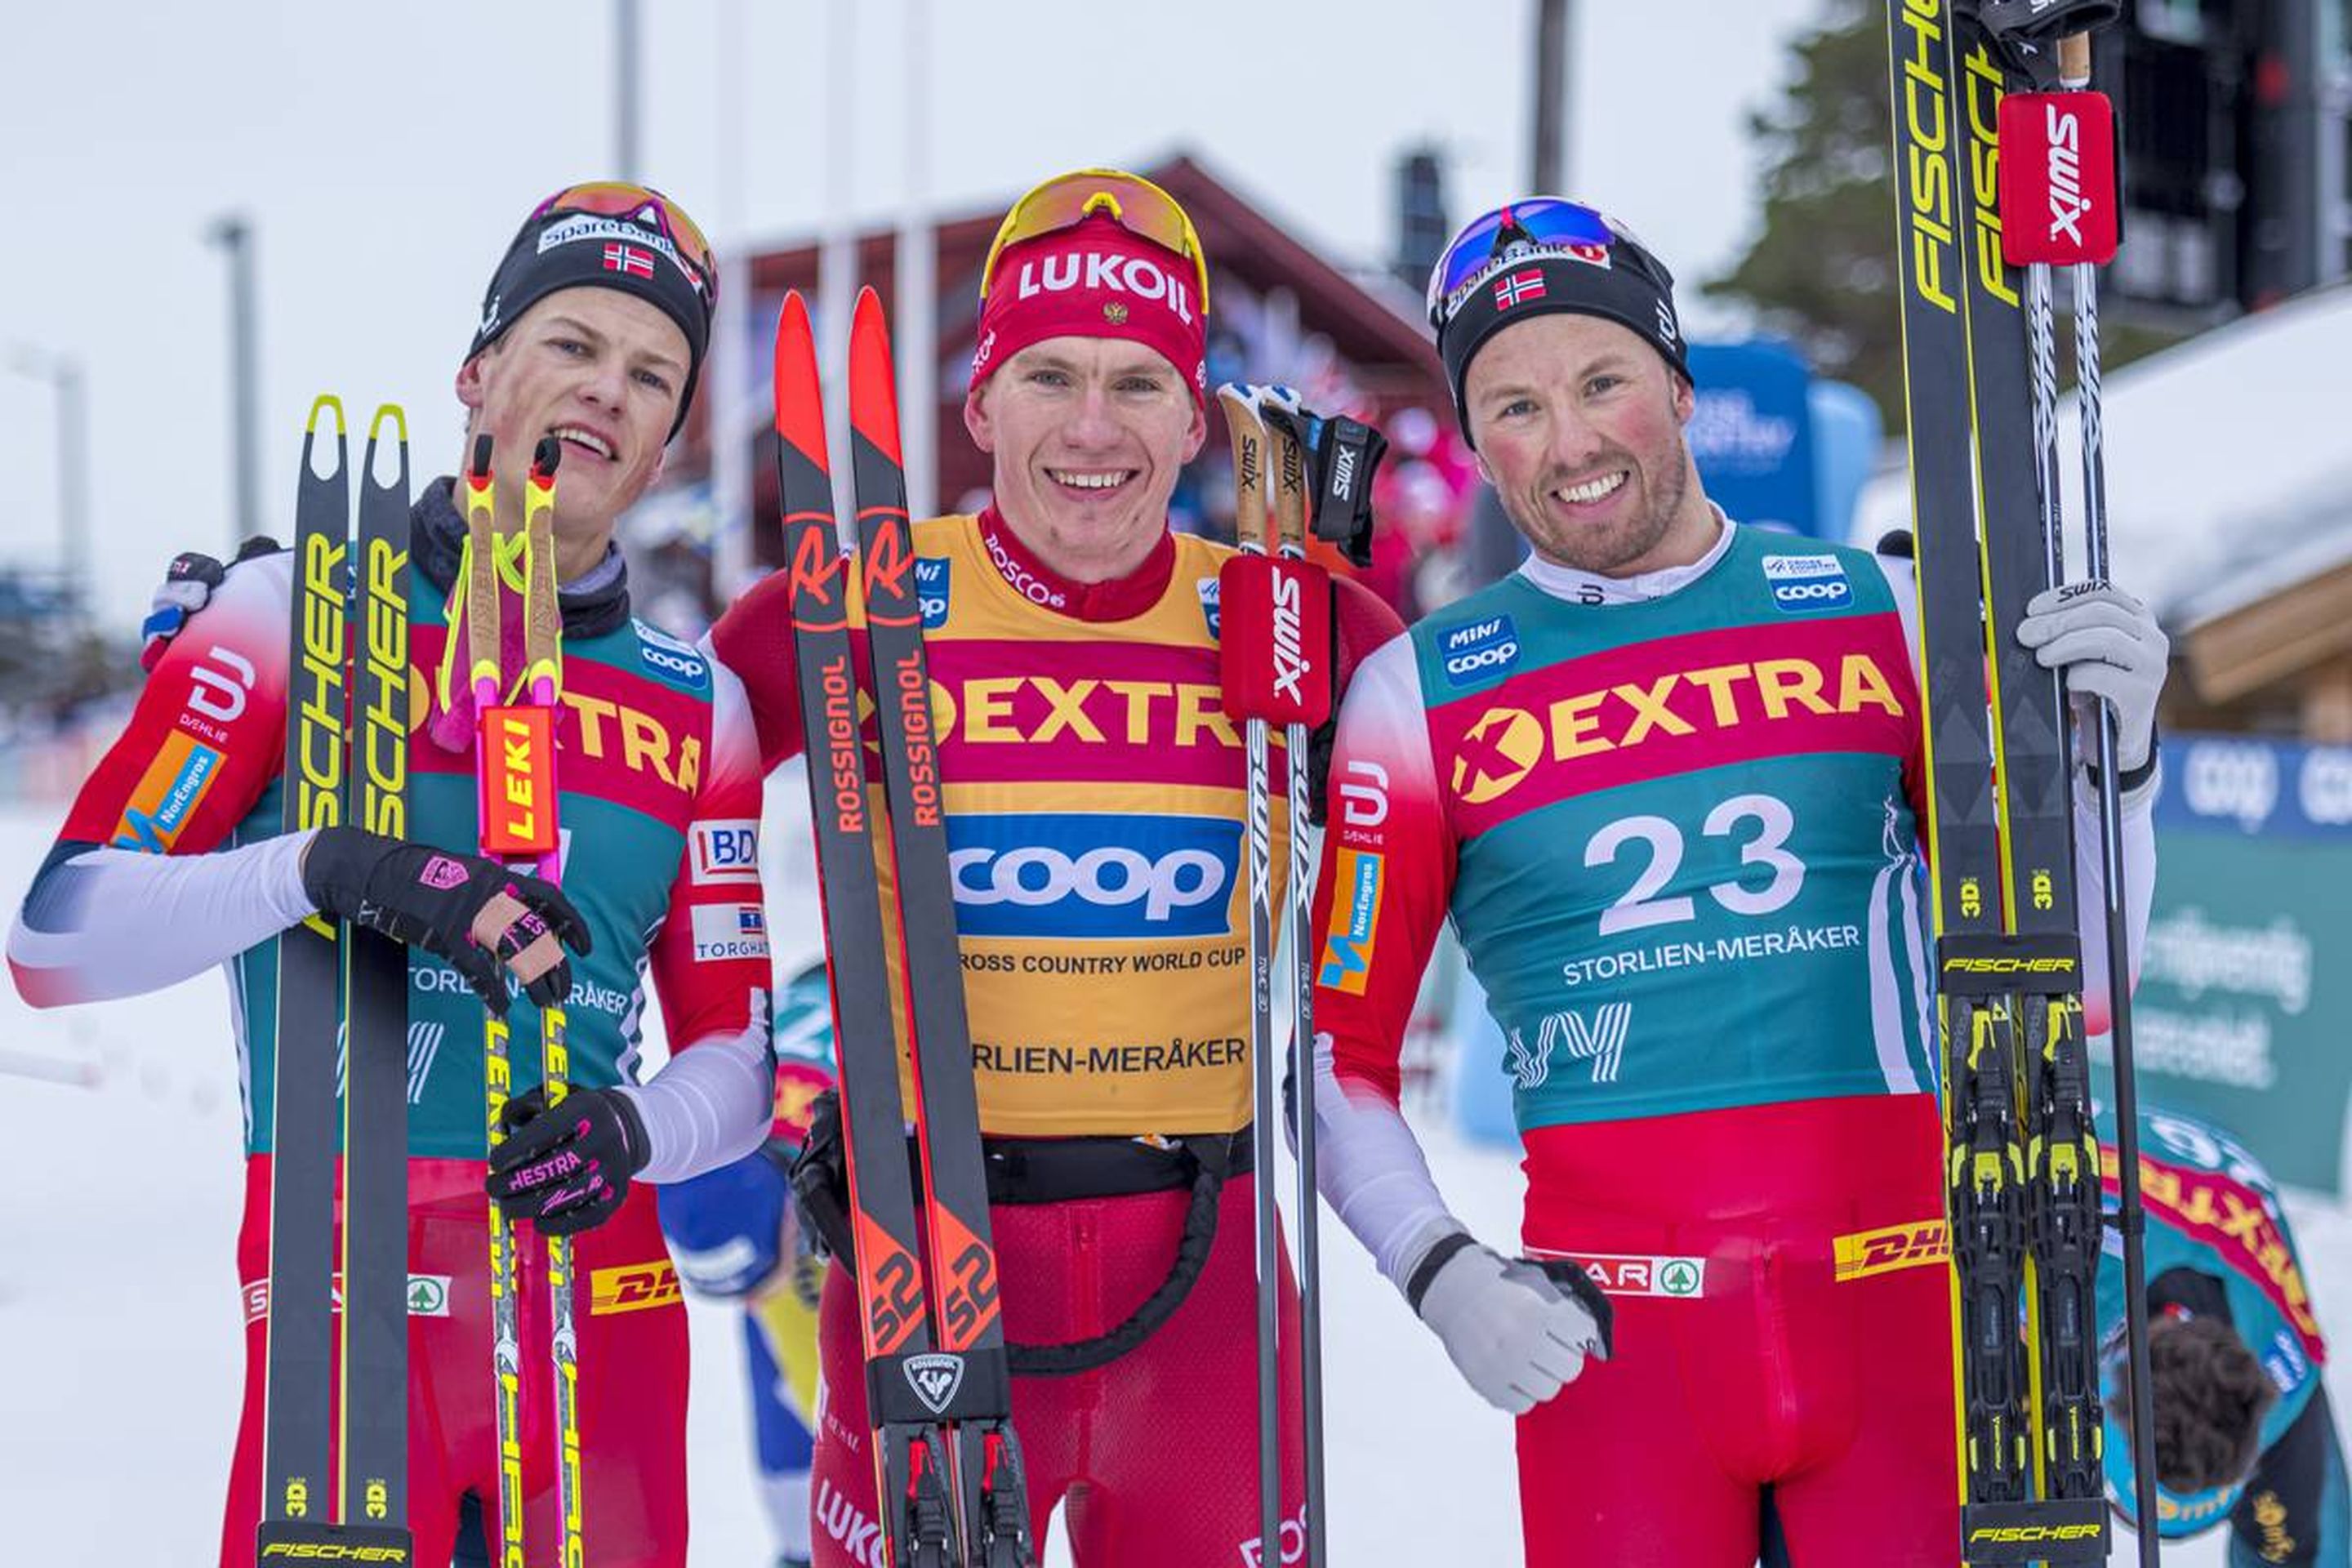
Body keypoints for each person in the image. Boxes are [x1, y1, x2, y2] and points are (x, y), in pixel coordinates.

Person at [1304, 197, 2170, 1565]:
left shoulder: (1884, 610)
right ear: (1474, 448)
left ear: (1681, 387)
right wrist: (1438, 1267)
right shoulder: (1417, 699)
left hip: (1905, 1323)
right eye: (1514, 407)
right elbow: (1336, 1060)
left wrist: (2117, 773)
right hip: (1620, 1362)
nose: (1572, 443)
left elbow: (2082, 991)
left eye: (1604, 384)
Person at [8, 180, 778, 1568]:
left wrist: (633, 1133)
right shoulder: (286, 614)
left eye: (651, 373)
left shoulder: (695, 702)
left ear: (671, 439)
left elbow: (738, 1061)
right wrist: (326, 867)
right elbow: (57, 940)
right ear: (479, 374)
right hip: (340, 1313)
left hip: (594, 1320)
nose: (607, 391)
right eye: (571, 344)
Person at [706, 167, 1404, 1568]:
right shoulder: (850, 604)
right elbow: (627, 794)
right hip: (929, 1271)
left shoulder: (1296, 625)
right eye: (1049, 377)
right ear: (978, 407)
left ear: (1195, 414)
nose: (1095, 426)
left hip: (1208, 1280)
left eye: (1140, 383)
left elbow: (1505, 818)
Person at [2100, 1104, 2347, 1565]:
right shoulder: (2083, 1293)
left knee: (2311, 1547)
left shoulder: (2283, 1364)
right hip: (2111, 1171)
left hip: (2223, 1208)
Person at [657, 961, 838, 1568]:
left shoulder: (854, 1145)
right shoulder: (714, 1130)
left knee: (816, 1339)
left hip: (880, 1025)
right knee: (786, 1330)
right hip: (809, 1004)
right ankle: (798, 1543)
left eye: (757, 1281)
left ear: (794, 1215)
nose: (751, 1301)